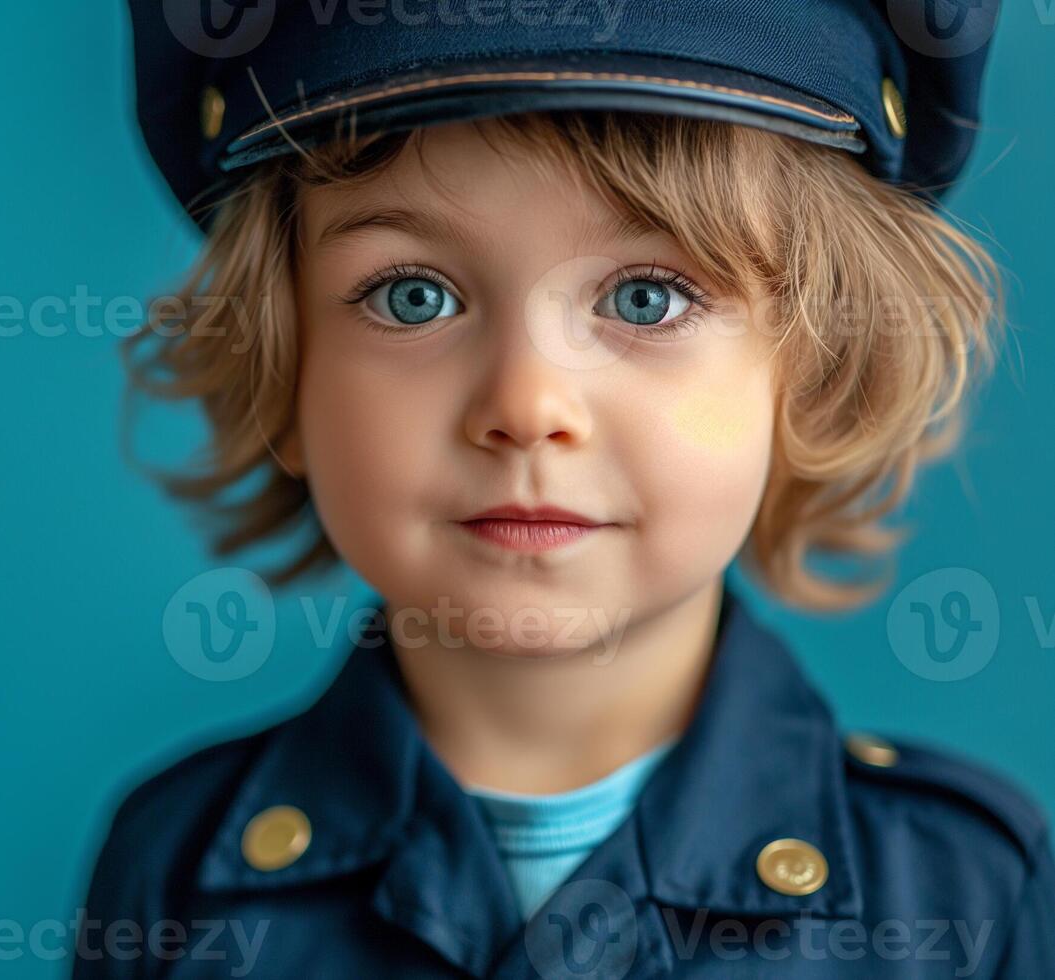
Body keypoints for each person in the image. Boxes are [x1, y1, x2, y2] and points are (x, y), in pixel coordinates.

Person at [76, 1, 1050, 975]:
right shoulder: (175, 874)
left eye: (645, 297)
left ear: (812, 376)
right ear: (284, 371)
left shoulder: (963, 891)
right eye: (411, 294)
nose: (525, 403)